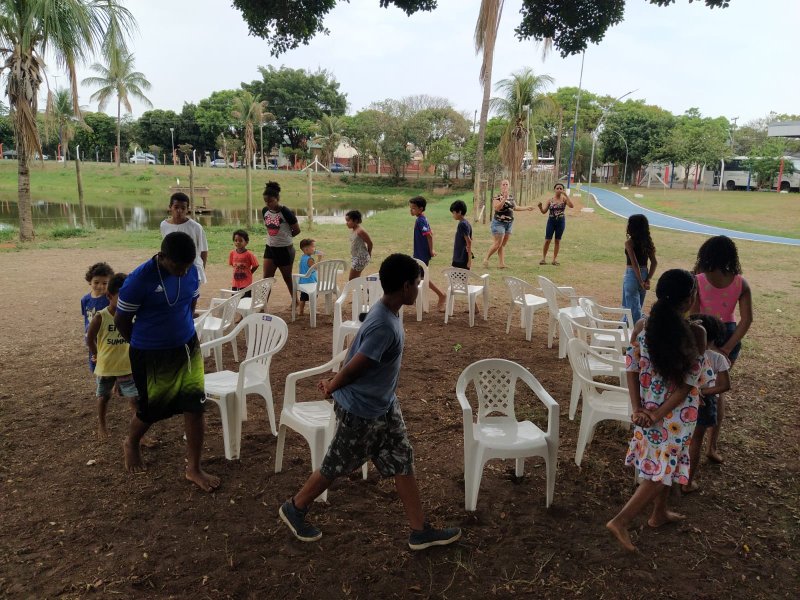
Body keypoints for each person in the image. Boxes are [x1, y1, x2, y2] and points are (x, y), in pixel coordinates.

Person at [277, 253, 462, 550]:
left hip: (384, 405)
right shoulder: (384, 325)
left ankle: (419, 530)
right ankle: (295, 507)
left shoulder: (386, 311)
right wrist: (333, 385)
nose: (419, 288)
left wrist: (335, 380)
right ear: (405, 286)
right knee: (336, 464)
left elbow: (357, 347)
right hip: (361, 411)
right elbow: (358, 364)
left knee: (402, 459)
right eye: (417, 283)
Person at [606, 269, 707, 552]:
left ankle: (658, 513)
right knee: (659, 472)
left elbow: (631, 367)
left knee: (664, 465)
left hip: (649, 410)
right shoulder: (696, 332)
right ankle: (621, 521)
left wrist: (639, 408)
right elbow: (688, 384)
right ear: (689, 299)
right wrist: (658, 413)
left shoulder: (642, 326)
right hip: (675, 415)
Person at [114, 232, 219, 493]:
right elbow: (121, 322)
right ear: (162, 257)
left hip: (186, 346)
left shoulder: (192, 271)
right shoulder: (139, 281)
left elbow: (190, 304)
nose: (183, 272)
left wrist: (180, 332)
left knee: (195, 406)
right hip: (151, 352)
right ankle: (131, 442)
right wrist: (144, 343)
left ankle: (193, 468)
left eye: (187, 266)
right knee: (152, 410)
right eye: (177, 267)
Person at [690, 235, 752, 464]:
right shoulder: (740, 282)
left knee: (702, 386)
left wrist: (711, 347)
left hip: (704, 335)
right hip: (729, 334)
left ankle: (693, 438)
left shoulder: (698, 279)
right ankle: (712, 446)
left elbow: (695, 316)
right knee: (717, 389)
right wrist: (726, 348)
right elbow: (747, 320)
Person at [86, 273, 138, 439]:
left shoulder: (132, 315)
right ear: (109, 296)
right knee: (104, 396)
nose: (126, 301)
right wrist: (96, 354)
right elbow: (89, 339)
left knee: (134, 399)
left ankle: (139, 434)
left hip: (127, 365)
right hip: (107, 366)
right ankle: (102, 424)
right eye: (121, 297)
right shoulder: (101, 317)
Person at [683, 314, 731, 494]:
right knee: (696, 441)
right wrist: (703, 392)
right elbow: (725, 386)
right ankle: (688, 482)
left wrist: (695, 391)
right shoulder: (718, 358)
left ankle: (674, 476)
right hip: (704, 402)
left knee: (683, 439)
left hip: (683, 400)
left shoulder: (686, 355)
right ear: (714, 337)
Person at [262, 181, 301, 299]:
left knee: (287, 278)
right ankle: (262, 305)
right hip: (270, 248)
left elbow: (297, 230)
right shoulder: (265, 211)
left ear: (277, 198)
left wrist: (285, 238)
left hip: (285, 250)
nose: (268, 204)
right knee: (266, 279)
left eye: (271, 201)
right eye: (266, 201)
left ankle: (296, 302)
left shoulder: (286, 212)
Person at [160, 192, 209, 284]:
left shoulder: (196, 227)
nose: (179, 211)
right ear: (170, 207)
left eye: (183, 208)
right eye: (176, 207)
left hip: (193, 267)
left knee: (191, 296)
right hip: (173, 268)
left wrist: (201, 269)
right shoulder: (164, 225)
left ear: (187, 209)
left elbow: (204, 251)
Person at [483, 179, 533, 269]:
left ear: (509, 186)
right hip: (498, 223)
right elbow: (497, 208)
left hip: (509, 224)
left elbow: (515, 207)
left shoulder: (511, 197)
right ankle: (486, 258)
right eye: (503, 184)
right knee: (497, 244)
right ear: (500, 186)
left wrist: (527, 208)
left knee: (502, 245)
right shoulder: (497, 197)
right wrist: (504, 199)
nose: (505, 186)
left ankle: (501, 264)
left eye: (507, 184)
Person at [409, 196, 446, 310]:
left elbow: (429, 235)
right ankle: (415, 298)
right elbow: (430, 233)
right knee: (419, 277)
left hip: (422, 254)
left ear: (421, 209)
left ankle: (441, 295)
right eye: (410, 208)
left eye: (413, 208)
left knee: (421, 277)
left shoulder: (421, 220)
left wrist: (431, 250)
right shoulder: (421, 218)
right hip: (419, 253)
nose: (411, 210)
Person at [622, 214, 658, 324]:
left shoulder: (629, 243)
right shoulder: (648, 243)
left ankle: (636, 336)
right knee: (636, 307)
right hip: (644, 274)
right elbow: (654, 263)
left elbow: (634, 264)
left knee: (632, 310)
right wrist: (647, 279)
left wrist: (641, 281)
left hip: (633, 275)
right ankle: (623, 329)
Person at [81, 262, 113, 372]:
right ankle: (102, 387)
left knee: (110, 366)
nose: (100, 286)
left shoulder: (110, 299)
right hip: (92, 339)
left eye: (105, 283)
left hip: (107, 338)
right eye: (96, 282)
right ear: (90, 281)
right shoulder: (85, 300)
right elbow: (86, 318)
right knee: (97, 366)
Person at [537, 183, 574, 266]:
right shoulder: (550, 200)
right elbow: (544, 212)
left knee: (557, 240)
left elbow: (572, 206)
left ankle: (554, 259)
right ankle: (543, 259)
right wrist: (540, 207)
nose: (559, 190)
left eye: (561, 188)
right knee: (547, 240)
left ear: (563, 190)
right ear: (554, 190)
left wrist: (566, 195)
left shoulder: (564, 199)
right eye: (557, 188)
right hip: (551, 221)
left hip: (560, 222)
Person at [229, 229, 260, 294]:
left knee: (246, 300)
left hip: (246, 283)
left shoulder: (249, 254)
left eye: (240, 240)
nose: (238, 242)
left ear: (246, 242)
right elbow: (233, 264)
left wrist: (250, 273)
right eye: (236, 240)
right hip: (235, 282)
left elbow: (256, 265)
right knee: (235, 299)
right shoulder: (232, 253)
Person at [345, 210, 373, 280]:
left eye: (348, 221)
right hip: (356, 257)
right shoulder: (354, 230)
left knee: (352, 279)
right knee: (356, 279)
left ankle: (364, 289)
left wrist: (369, 253)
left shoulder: (360, 231)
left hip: (361, 258)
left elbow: (370, 243)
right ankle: (364, 290)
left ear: (355, 220)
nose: (346, 223)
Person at [297, 238, 321, 317]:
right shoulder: (310, 259)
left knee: (303, 298)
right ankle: (312, 310)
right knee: (313, 297)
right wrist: (320, 258)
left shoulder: (303, 257)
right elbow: (316, 268)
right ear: (306, 249)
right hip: (310, 282)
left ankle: (301, 311)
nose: (315, 249)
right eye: (313, 247)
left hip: (303, 281)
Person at [450, 199, 473, 270]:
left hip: (461, 258)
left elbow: (469, 241)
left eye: (453, 213)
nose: (453, 215)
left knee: (457, 279)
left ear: (459, 212)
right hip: (461, 257)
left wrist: (469, 260)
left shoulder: (462, 224)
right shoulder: (466, 223)